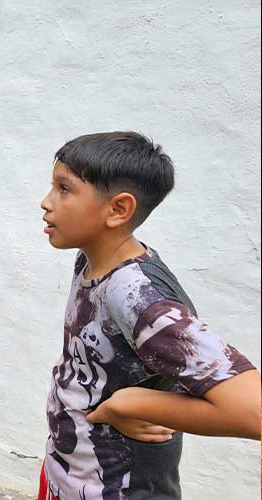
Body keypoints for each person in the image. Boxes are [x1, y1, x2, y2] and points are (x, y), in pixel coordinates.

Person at [38, 131, 260, 500]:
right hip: (68, 473)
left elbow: (254, 411)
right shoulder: (92, 258)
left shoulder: (139, 296)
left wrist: (134, 404)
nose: (46, 202)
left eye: (64, 188)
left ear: (118, 210)